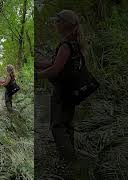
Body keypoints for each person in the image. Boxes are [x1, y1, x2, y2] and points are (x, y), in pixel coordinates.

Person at [36, 9, 86, 167]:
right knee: (67, 124)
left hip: (62, 92)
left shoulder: (65, 45)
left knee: (57, 126)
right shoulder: (74, 44)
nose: (54, 24)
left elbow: (55, 69)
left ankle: (69, 162)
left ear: (64, 24)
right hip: (71, 91)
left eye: (57, 21)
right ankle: (70, 156)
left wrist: (38, 75)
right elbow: (55, 62)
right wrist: (36, 63)